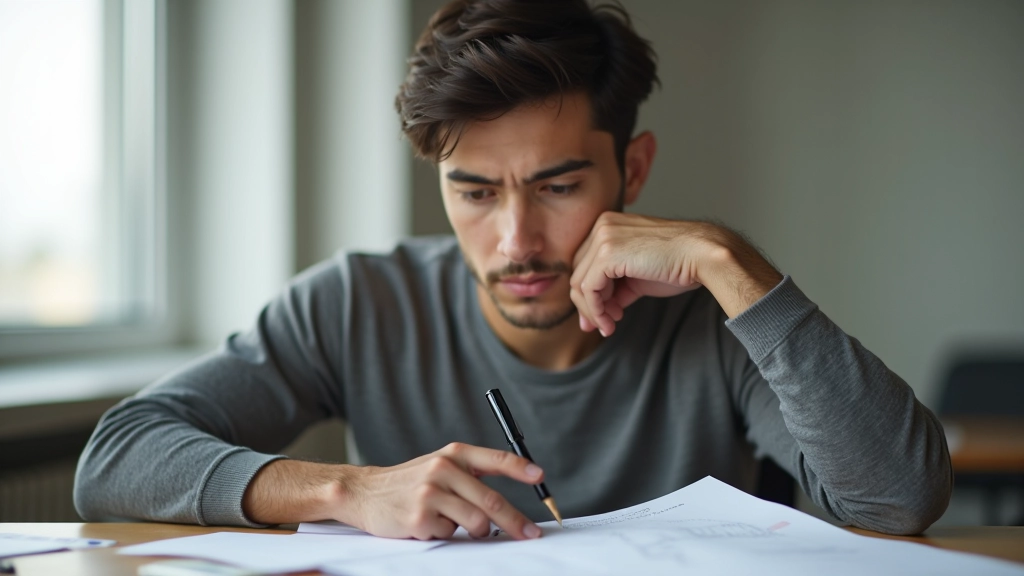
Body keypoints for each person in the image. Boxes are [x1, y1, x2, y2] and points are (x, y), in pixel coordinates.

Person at [74, 0, 951, 541]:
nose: (517, 240)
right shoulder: (359, 302)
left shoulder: (713, 314)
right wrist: (347, 491)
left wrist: (734, 263)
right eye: (476, 192)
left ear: (632, 171)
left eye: (558, 186)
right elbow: (116, 457)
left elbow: (898, 501)